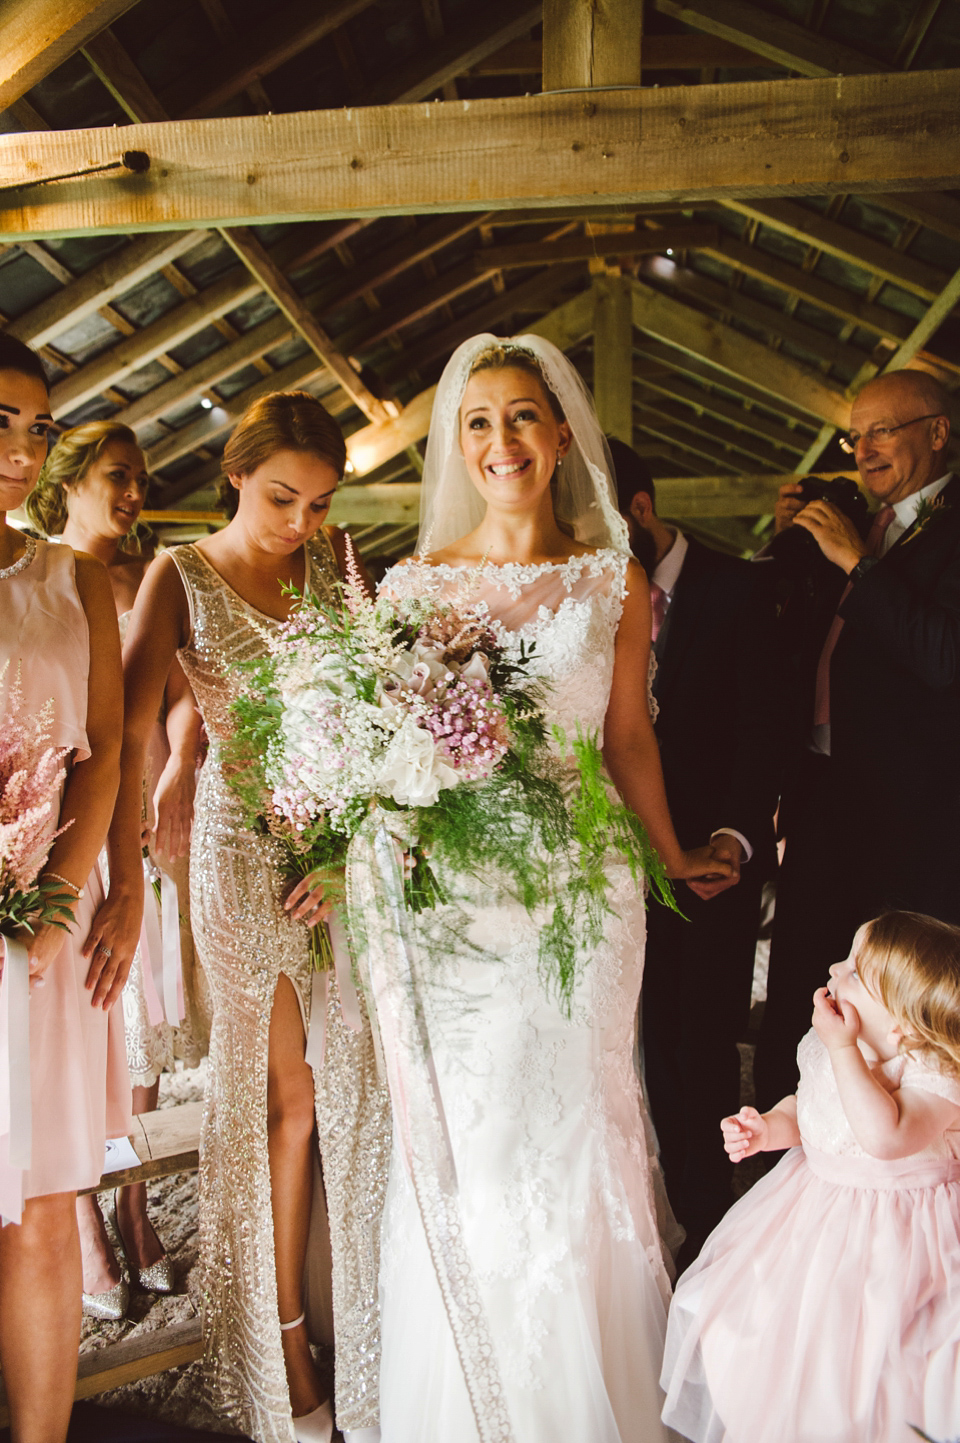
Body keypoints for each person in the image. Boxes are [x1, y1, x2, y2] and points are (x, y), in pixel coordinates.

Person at [373, 335, 733, 1443]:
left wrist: (669, 855)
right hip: (463, 906)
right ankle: (479, 1399)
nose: (502, 443)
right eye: (479, 423)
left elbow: (627, 735)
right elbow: (390, 755)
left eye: (522, 417)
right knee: (480, 1135)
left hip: (584, 884)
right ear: (454, 444)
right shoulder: (415, 585)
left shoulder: (607, 574)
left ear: (562, 432)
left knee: (582, 1122)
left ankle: (600, 1398)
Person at [98, 392, 390, 1443]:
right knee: (285, 1097)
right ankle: (280, 1340)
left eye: (317, 503)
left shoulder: (337, 567)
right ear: (236, 473)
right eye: (281, 498)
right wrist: (129, 883)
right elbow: (131, 729)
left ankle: (353, 1312)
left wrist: (353, 851)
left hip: (336, 852)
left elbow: (378, 721)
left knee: (349, 1086)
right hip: (236, 847)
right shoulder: (179, 575)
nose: (300, 524)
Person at [26, 420, 209, 1319]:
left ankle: (132, 1213)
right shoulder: (46, 574)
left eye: (141, 478)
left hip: (127, 832)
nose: (134, 494)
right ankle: (85, 1230)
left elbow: (173, 701)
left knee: (128, 1036)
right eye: (117, 477)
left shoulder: (133, 579)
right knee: (92, 1031)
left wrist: (174, 765)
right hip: (51, 834)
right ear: (67, 481)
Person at [661, 910, 960, 1442]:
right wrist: (768, 1129)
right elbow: (810, 1109)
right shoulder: (831, 1046)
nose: (833, 968)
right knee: (774, 1342)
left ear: (901, 1022)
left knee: (868, 1369)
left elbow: (884, 1137)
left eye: (854, 971)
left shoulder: (937, 1074)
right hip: (809, 1217)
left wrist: (845, 1049)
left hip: (898, 1242)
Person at [754, 369, 959, 1108]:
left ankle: (900, 1155)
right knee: (803, 978)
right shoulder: (850, 523)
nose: (863, 449)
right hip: (821, 788)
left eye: (882, 430)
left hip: (915, 806)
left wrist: (857, 565)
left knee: (897, 997)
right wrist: (796, 546)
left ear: (937, 431)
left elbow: (944, 655)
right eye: (855, 434)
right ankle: (787, 1146)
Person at [0, 334, 131, 1442]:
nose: (21, 449)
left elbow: (106, 752)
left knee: (41, 1211)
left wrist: (60, 897)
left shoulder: (72, 578)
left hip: (35, 926)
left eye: (37, 427)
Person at [609, 439, 780, 1264]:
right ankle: (652, 1220)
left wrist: (736, 837)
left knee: (701, 1046)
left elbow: (765, 727)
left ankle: (712, 1232)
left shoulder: (742, 589)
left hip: (714, 863)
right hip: (614, 864)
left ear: (640, 509)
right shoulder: (595, 590)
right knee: (631, 1050)